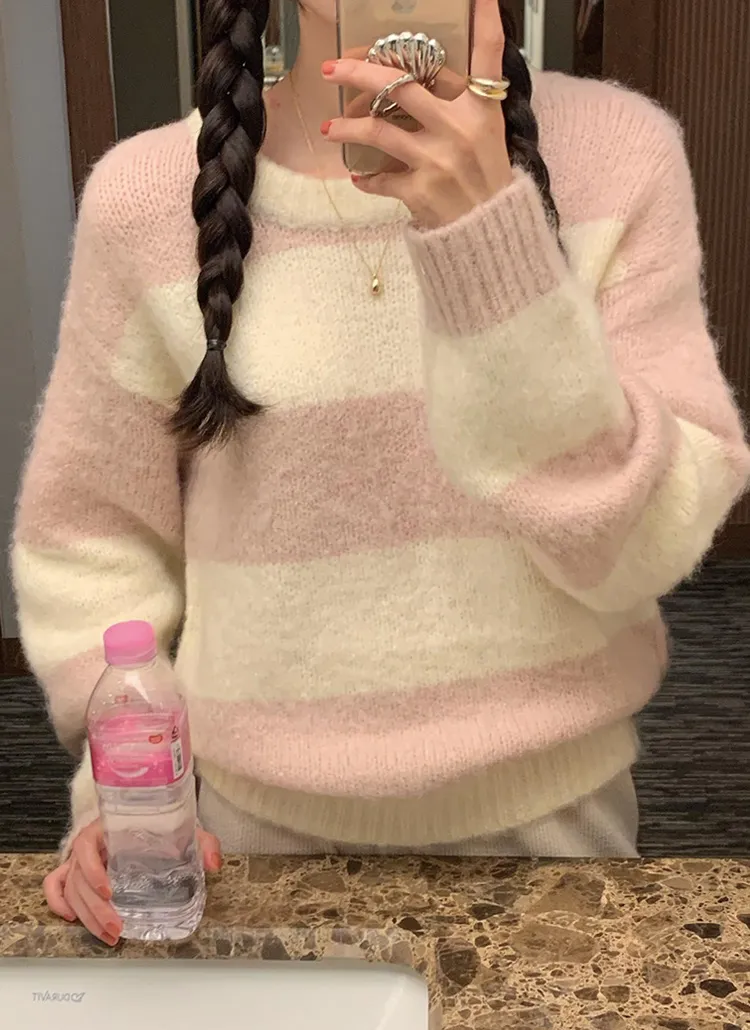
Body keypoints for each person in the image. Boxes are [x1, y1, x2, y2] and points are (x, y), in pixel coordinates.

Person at [13, 0, 750, 946]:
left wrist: (491, 242)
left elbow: (650, 543)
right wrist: (125, 797)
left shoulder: (621, 156)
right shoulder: (147, 198)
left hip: (555, 839)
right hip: (244, 845)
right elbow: (91, 540)